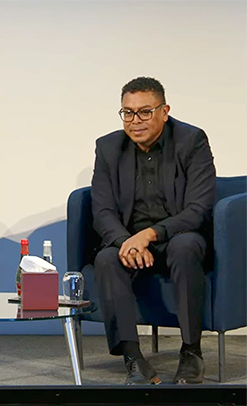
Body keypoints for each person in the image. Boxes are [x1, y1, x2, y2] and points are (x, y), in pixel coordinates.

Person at [90, 77, 216, 385]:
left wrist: (151, 234)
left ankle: (191, 353)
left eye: (145, 112)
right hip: (130, 241)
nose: (135, 121)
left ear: (164, 111)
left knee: (185, 247)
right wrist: (126, 242)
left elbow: (198, 209)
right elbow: (102, 210)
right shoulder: (108, 148)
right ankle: (133, 358)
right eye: (128, 113)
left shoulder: (191, 140)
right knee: (106, 259)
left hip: (178, 235)